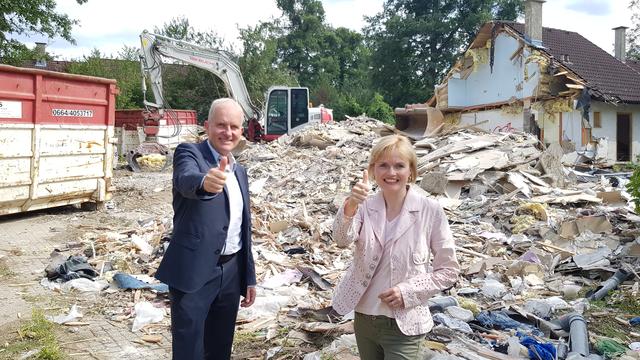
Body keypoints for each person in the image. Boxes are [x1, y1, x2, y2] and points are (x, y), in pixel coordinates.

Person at [331, 134, 459, 360]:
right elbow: (341, 239)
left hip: (405, 324)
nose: (391, 173)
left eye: (399, 165)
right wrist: (351, 204)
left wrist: (408, 291)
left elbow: (448, 271)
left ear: (411, 170)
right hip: (364, 319)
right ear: (373, 171)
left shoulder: (430, 210)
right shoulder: (364, 207)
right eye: (383, 166)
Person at [155, 98, 256, 360]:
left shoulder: (240, 171)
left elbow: (243, 228)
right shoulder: (190, 153)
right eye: (221, 125)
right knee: (189, 350)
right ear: (207, 126)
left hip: (232, 273)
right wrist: (205, 183)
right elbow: (186, 179)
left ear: (242, 131)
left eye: (234, 126)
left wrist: (249, 277)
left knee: (220, 348)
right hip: (195, 273)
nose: (228, 132)